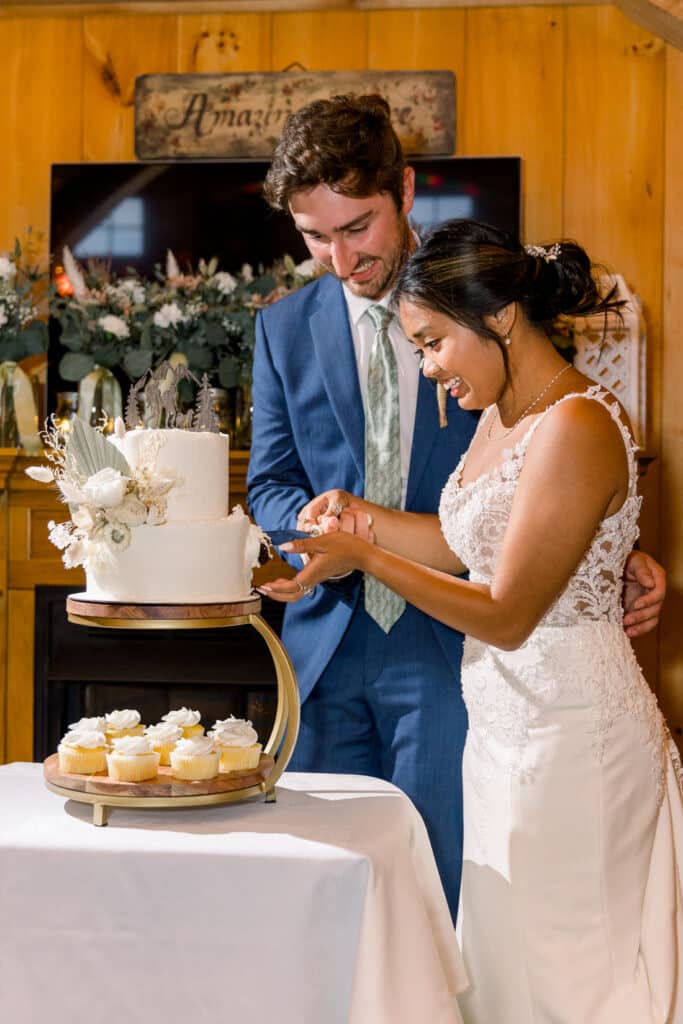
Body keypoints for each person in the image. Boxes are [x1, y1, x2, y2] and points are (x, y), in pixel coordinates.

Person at [247, 94, 666, 923]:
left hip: (456, 649)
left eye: (356, 227)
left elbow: (562, 453)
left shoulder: (484, 296)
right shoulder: (282, 328)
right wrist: (332, 533)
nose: (339, 258)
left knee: (453, 894)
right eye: (314, 237)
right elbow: (269, 484)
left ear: (403, 192)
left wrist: (603, 553)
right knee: (328, 896)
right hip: (326, 644)